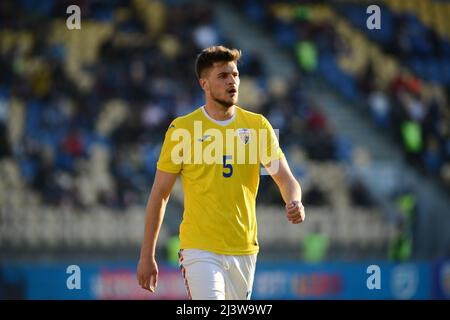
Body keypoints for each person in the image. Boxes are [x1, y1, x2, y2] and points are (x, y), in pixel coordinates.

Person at [137, 45, 305, 300]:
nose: (232, 81)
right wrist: (146, 255)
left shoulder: (258, 126)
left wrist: (294, 200)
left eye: (235, 75)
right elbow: (159, 193)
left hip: (244, 248)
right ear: (204, 84)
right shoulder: (182, 129)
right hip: (199, 248)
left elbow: (286, 179)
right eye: (223, 76)